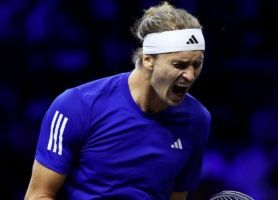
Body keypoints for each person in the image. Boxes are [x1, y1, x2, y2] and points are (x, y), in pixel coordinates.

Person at [25, 1, 211, 200]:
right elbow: (39, 195)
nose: (190, 75)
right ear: (148, 59)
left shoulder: (197, 120)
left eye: (197, 64)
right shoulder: (77, 106)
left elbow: (177, 197)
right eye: (179, 64)